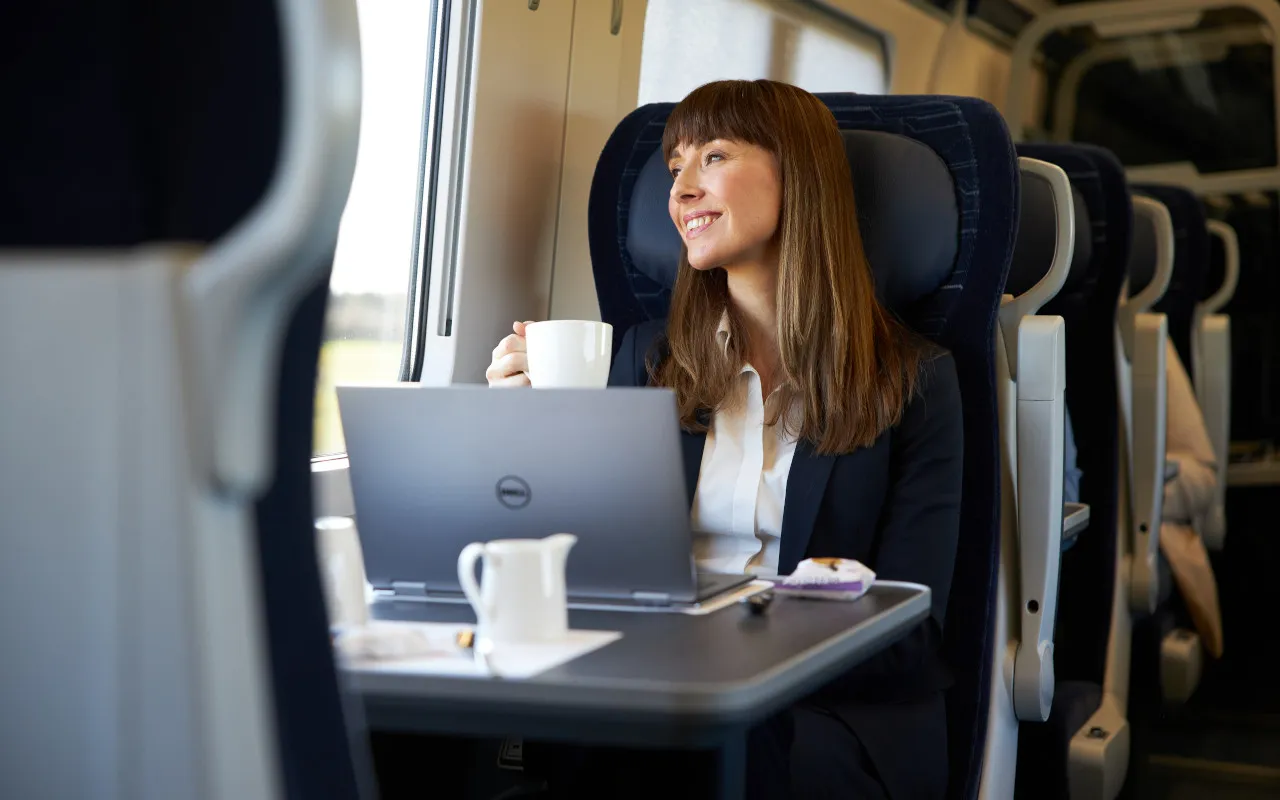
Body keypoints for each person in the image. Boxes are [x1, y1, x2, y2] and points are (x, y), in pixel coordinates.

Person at [486, 79, 964, 799]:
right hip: (658, 695)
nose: (679, 189)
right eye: (674, 166)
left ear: (797, 175)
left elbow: (912, 634)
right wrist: (536, 437)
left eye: (712, 156)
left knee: (710, 755)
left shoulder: (916, 383)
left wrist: (732, 650)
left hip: (827, 717)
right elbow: (588, 573)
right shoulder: (644, 362)